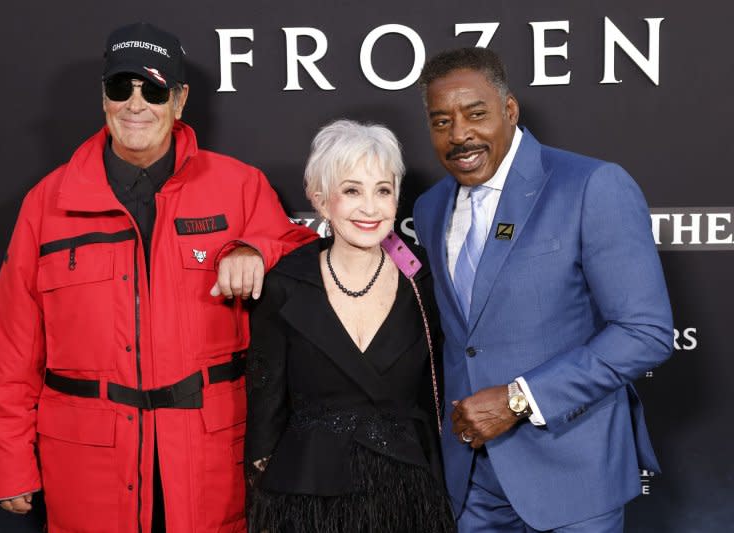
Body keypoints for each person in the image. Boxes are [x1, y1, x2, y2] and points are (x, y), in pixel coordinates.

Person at [0, 22, 316, 533]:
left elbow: (307, 261)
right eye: (122, 87)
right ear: (104, 98)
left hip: (207, 462)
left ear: (179, 101)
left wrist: (256, 248)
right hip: (87, 468)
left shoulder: (239, 186)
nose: (136, 105)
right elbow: (11, 344)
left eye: (154, 90)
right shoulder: (48, 203)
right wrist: (8, 461)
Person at [412, 47, 673, 532]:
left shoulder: (591, 184)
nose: (459, 135)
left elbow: (645, 332)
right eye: (441, 121)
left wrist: (518, 399)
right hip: (471, 482)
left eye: (475, 114)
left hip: (571, 474)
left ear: (509, 110)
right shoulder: (429, 208)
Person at [244, 120, 455, 533]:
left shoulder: (423, 281)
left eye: (383, 190)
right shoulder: (285, 285)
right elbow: (264, 405)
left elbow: (438, 393)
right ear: (321, 201)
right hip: (307, 500)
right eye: (352, 190)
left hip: (407, 495)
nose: (371, 208)